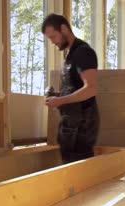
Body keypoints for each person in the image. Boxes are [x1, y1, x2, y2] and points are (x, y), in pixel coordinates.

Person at [42, 14, 100, 164]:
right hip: (73, 121)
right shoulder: (71, 54)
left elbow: (91, 89)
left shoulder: (83, 52)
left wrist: (61, 100)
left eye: (54, 37)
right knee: (71, 166)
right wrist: (59, 96)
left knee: (79, 169)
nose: (53, 42)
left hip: (81, 124)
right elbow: (76, 87)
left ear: (64, 28)